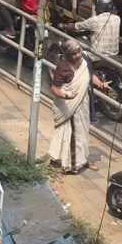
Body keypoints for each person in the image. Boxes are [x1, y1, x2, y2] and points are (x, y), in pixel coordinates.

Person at [47, 39, 110, 174]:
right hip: (67, 106)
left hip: (82, 103)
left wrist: (101, 84)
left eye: (78, 51)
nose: (77, 55)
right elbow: (55, 88)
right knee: (68, 134)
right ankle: (62, 163)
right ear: (68, 55)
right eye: (74, 53)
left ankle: (82, 160)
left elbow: (90, 75)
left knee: (82, 132)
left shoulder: (85, 61)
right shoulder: (63, 68)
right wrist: (66, 95)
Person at [57, 0, 121, 62]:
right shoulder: (117, 19)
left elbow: (76, 27)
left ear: (99, 6)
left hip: (97, 56)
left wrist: (63, 26)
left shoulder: (95, 20)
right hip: (114, 55)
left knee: (74, 54)